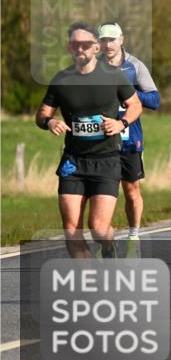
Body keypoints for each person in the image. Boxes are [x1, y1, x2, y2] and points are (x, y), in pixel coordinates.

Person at [36, 23, 142, 258]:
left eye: (86, 44)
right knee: (72, 231)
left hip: (106, 160)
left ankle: (108, 247)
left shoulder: (114, 76)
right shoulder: (62, 80)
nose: (80, 49)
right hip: (73, 162)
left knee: (99, 228)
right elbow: (42, 114)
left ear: (96, 47)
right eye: (75, 44)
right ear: (69, 48)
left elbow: (135, 104)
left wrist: (121, 123)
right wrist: (50, 122)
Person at [97, 22, 160, 256]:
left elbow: (155, 100)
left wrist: (129, 95)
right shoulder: (93, 67)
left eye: (112, 39)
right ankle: (105, 239)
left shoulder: (135, 66)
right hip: (101, 140)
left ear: (121, 39)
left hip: (130, 139)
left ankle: (134, 234)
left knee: (131, 190)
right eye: (103, 40)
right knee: (103, 192)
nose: (108, 44)